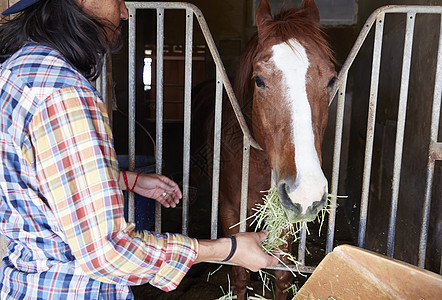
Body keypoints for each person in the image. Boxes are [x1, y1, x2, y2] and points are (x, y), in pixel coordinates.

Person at [0, 0, 278, 299]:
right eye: (117, 0)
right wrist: (227, 249)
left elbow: (33, 175)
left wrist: (126, 180)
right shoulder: (65, 95)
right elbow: (108, 252)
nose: (124, 11)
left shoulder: (17, 71)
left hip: (26, 284)